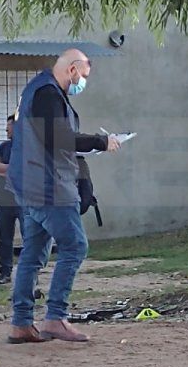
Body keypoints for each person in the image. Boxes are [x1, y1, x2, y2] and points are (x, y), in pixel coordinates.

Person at [6, 49, 119, 344]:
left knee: (32, 254)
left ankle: (21, 323)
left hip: (29, 183)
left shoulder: (37, 90)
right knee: (75, 246)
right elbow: (59, 138)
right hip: (50, 186)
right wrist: (100, 141)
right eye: (82, 76)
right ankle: (55, 317)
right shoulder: (48, 95)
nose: (82, 82)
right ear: (71, 69)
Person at [0, 114, 21, 285]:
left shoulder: (29, 146)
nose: (6, 129)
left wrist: (5, 170)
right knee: (5, 238)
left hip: (24, 201)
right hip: (4, 201)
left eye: (9, 126)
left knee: (30, 238)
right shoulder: (4, 147)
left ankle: (29, 273)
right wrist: (11, 169)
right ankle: (5, 272)